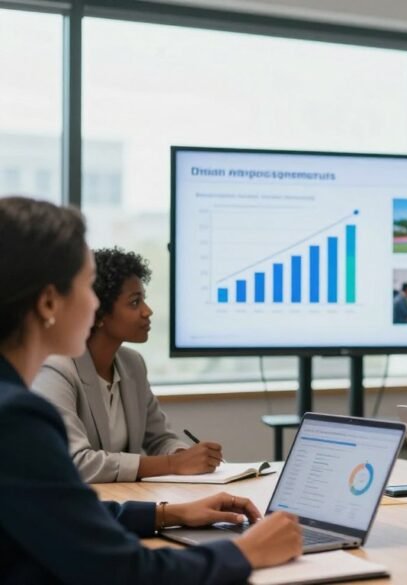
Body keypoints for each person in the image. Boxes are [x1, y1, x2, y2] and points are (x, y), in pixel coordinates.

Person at [0, 196, 302, 584]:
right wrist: (244, 552)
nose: (94, 304)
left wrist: (168, 513)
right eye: (88, 288)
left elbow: (56, 510)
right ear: (48, 302)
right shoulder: (15, 419)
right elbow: (124, 572)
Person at [33, 248, 220, 483]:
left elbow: (159, 439)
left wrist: (184, 455)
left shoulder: (133, 364)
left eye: (144, 299)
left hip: (123, 502)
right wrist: (173, 464)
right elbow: (77, 462)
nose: (147, 311)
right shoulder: (56, 369)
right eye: (135, 302)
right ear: (98, 313)